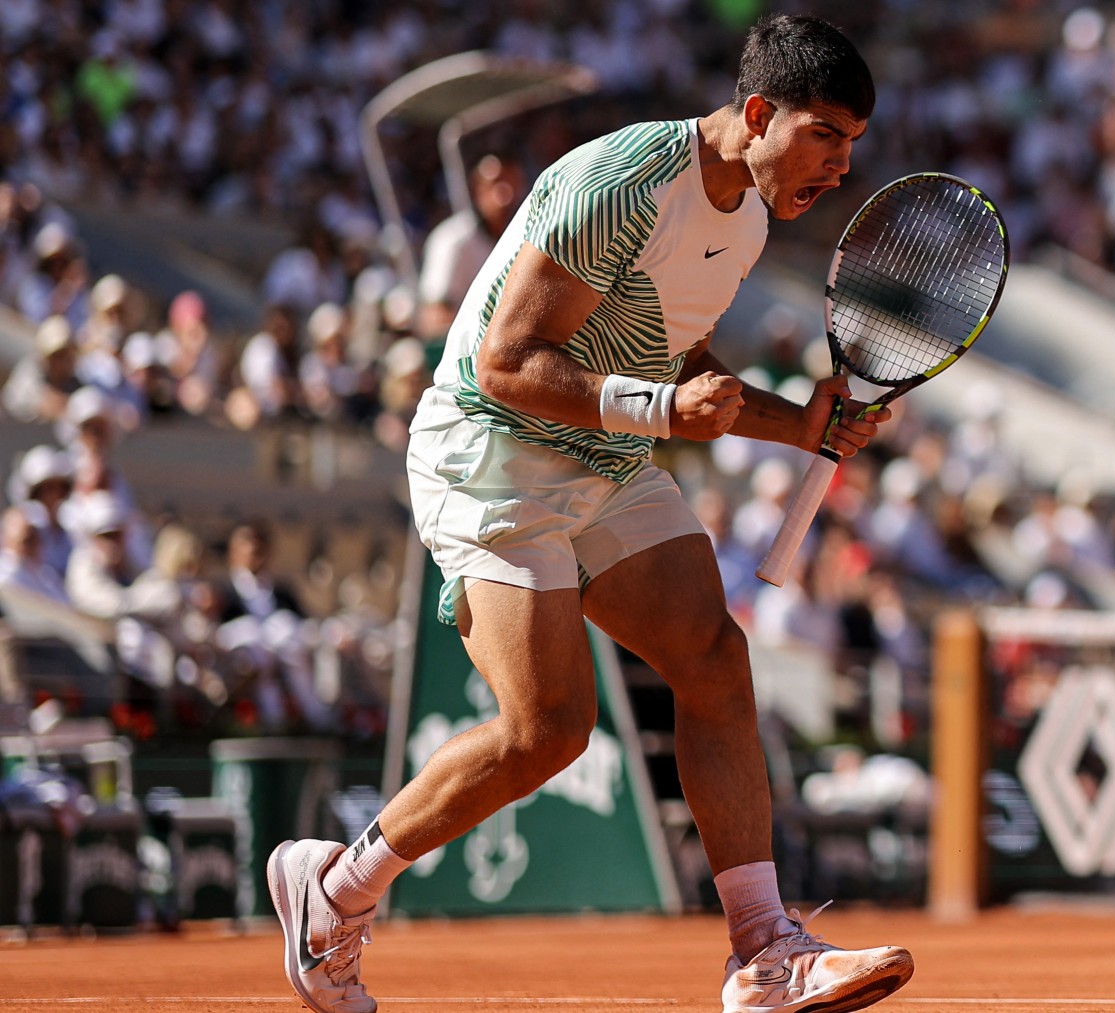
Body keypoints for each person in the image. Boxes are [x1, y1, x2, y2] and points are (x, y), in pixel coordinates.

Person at [265, 15, 910, 1013]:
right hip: (490, 454)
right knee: (548, 729)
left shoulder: (743, 215)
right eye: (825, 134)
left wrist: (799, 422)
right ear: (755, 113)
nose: (839, 164)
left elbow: (675, 351)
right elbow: (508, 363)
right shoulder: (618, 187)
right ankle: (334, 888)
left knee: (712, 657)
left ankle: (762, 951)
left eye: (852, 144)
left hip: (604, 455)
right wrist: (661, 412)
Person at [415, 154, 525, 339]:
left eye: (510, 182)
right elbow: (432, 316)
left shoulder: (527, 230)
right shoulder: (452, 240)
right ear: (478, 191)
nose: (505, 193)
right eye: (495, 183)